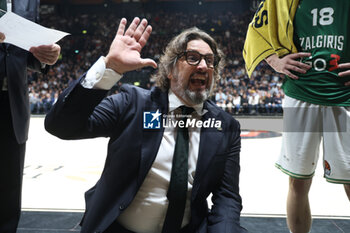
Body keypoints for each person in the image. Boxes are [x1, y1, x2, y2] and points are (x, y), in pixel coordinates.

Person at [45, 17, 247, 233]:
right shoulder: (132, 103)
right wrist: (110, 67)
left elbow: (227, 197)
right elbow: (61, 125)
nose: (204, 66)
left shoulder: (226, 126)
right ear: (170, 70)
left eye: (210, 60)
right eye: (193, 58)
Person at [243, 0, 350, 232]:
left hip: (346, 95)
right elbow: (257, 29)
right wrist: (275, 61)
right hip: (300, 93)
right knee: (298, 181)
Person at [0, 1, 61, 232]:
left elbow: (28, 54)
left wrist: (47, 55)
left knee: (9, 193)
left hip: (14, 104)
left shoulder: (28, 1)